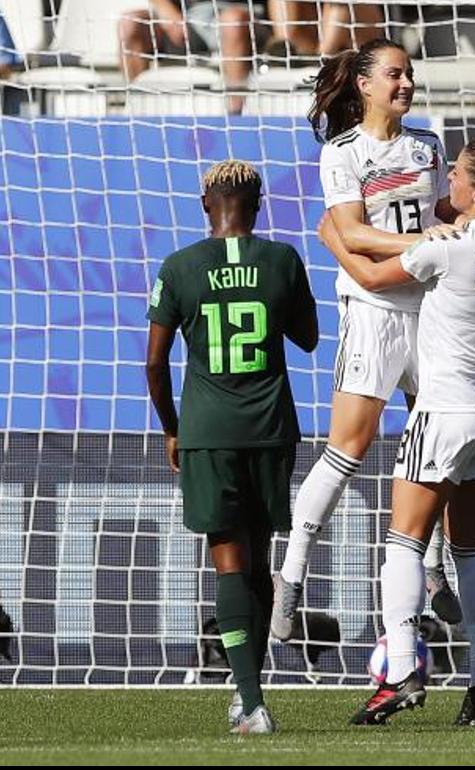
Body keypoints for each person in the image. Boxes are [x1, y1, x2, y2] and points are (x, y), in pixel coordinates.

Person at [319, 135, 475, 726]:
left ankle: (400, 672)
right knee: (469, 545)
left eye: (459, 177)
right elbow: (462, 222)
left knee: (405, 542)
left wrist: (332, 237)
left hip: (446, 410)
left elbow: (370, 279)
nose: (449, 185)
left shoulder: (448, 250)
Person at [271, 38, 461, 645]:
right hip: (374, 310)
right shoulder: (342, 153)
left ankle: (432, 568)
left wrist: (449, 234)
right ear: (364, 84)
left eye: (410, 74)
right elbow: (349, 231)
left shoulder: (428, 146)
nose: (406, 83)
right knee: (346, 451)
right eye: (395, 74)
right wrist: (427, 244)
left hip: (430, 310)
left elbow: (443, 218)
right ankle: (291, 576)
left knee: (436, 446)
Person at [146, 160, 319, 734]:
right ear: (259, 204)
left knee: (228, 561)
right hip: (271, 429)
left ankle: (249, 701)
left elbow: (153, 363)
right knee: (261, 561)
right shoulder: (283, 260)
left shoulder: (179, 267)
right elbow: (309, 338)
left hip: (209, 432)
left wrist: (172, 427)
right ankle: (253, 693)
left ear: (205, 206)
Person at [117, 0, 270, 114]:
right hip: (188, 17)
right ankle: (136, 111)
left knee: (233, 22)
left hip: (246, 16)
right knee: (130, 23)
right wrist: (168, 12)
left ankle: (235, 116)